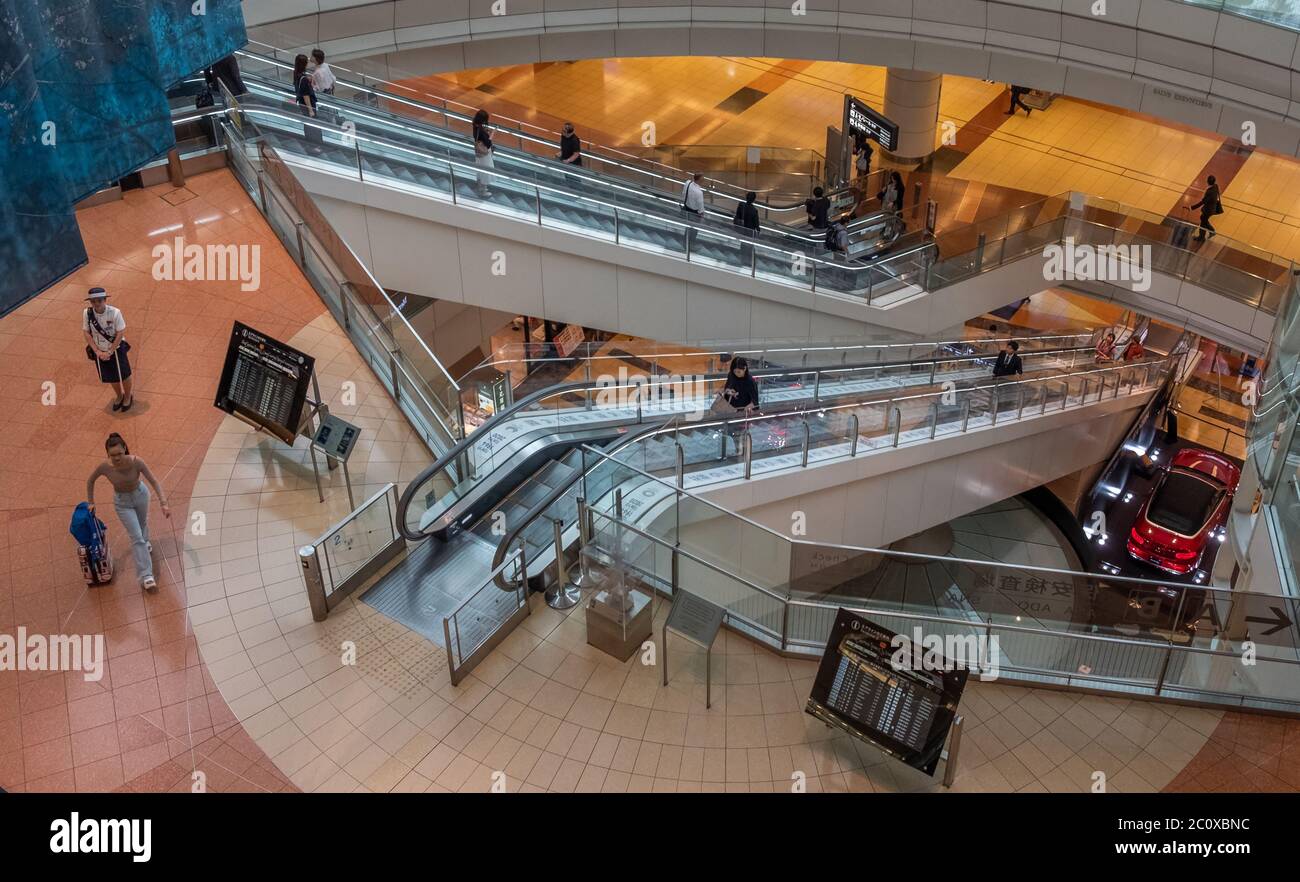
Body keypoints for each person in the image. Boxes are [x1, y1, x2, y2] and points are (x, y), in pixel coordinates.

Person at [87, 433, 171, 592]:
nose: (117, 458)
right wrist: (91, 502)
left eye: (119, 453)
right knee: (136, 537)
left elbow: (153, 481)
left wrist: (164, 503)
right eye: (113, 455)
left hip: (140, 495)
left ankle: (146, 543)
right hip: (122, 503)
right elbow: (90, 480)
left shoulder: (136, 462)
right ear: (107, 454)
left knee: (142, 524)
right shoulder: (105, 467)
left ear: (124, 448)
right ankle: (147, 576)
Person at [83, 287, 134, 411]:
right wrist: (97, 351)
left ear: (105, 300)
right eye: (93, 301)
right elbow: (86, 332)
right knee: (111, 375)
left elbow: (120, 332)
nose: (96, 304)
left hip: (116, 348)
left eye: (99, 301)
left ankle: (127, 396)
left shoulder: (115, 312)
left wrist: (110, 351)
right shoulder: (87, 313)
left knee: (124, 374)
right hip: (99, 351)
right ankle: (118, 396)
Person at [292, 53, 323, 154]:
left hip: (301, 104)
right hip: (308, 106)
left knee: (308, 125)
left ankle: (311, 146)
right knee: (313, 126)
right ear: (304, 64)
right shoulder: (304, 79)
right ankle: (315, 147)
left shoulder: (296, 74)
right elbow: (306, 95)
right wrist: (310, 110)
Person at [1189, 174, 1222, 242]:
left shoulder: (1209, 192)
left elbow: (1203, 202)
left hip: (1208, 210)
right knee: (1203, 219)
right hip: (1212, 208)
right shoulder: (1215, 186)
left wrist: (1192, 207)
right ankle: (1211, 231)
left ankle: (1202, 237)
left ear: (1208, 182)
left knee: (1203, 222)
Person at [472, 109, 495, 197]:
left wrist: (485, 132)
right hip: (484, 154)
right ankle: (483, 191)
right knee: (485, 170)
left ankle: (480, 187)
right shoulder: (481, 131)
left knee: (480, 170)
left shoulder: (475, 124)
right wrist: (492, 133)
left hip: (478, 153)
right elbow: (488, 144)